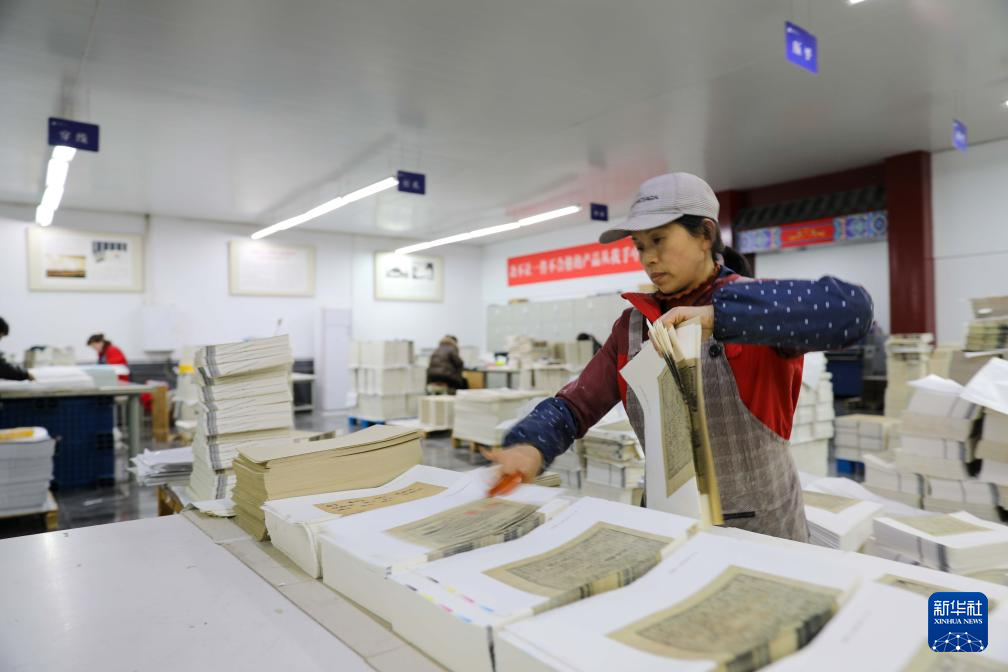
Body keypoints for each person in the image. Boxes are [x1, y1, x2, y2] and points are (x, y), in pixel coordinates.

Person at [484, 172, 873, 543]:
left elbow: (852, 311)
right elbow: (575, 405)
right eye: (640, 246)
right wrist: (531, 443)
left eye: (659, 240)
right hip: (669, 526)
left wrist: (719, 317)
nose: (648, 259)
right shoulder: (632, 328)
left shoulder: (760, 311)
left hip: (762, 532)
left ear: (705, 234)